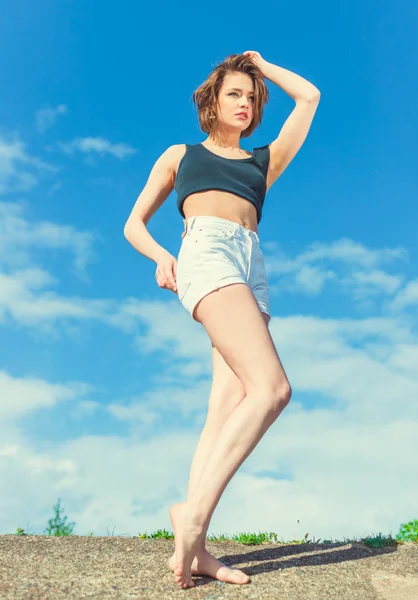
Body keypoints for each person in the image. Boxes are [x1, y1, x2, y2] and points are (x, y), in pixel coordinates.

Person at [124, 51, 320, 589]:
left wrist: (262, 64)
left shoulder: (263, 162)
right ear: (212, 101)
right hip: (205, 252)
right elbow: (133, 224)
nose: (246, 102)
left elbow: (309, 97)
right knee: (272, 389)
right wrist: (163, 257)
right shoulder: (179, 155)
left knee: (225, 406)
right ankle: (191, 513)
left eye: (252, 97)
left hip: (250, 265)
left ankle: (196, 549)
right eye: (235, 93)